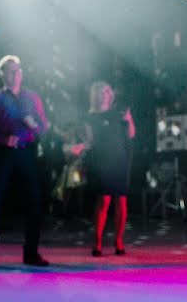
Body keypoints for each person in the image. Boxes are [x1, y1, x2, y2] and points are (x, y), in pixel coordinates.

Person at [0, 55, 50, 271]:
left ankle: (31, 253)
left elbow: (44, 127)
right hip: (4, 154)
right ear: (3, 74)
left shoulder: (32, 97)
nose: (16, 74)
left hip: (27, 153)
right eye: (11, 71)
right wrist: (3, 138)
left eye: (18, 70)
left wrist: (33, 125)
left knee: (34, 202)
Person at [70, 81, 135, 257]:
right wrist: (80, 147)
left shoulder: (119, 113)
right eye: (100, 92)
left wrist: (129, 121)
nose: (104, 95)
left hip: (120, 160)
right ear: (94, 96)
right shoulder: (88, 117)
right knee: (103, 200)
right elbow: (90, 141)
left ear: (110, 95)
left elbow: (131, 134)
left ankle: (119, 242)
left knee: (121, 201)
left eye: (107, 92)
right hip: (100, 161)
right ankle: (97, 243)